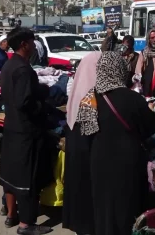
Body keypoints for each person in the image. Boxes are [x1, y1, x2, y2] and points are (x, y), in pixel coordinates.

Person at [86, 52, 155, 235]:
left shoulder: (90, 97)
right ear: (120, 70)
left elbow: (85, 130)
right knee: (127, 208)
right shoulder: (133, 98)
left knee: (103, 206)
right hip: (128, 162)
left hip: (99, 159)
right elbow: (152, 127)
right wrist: (150, 111)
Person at [0, 27, 53, 235]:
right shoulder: (23, 69)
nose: (34, 45)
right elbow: (25, 102)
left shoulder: (9, 65)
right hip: (26, 132)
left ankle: (12, 216)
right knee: (28, 180)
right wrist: (43, 106)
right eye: (32, 41)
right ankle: (26, 224)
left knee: (11, 177)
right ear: (24, 44)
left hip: (12, 128)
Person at [62, 52, 101, 235]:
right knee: (87, 189)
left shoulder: (78, 90)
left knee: (77, 186)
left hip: (76, 146)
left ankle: (78, 225)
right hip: (87, 150)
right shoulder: (91, 94)